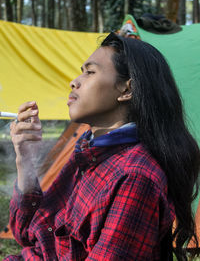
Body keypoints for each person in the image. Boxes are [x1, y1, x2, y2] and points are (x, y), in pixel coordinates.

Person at [4, 32, 200, 261]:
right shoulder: (90, 149)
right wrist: (25, 160)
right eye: (81, 71)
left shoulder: (135, 177)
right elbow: (26, 232)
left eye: (90, 72)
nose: (74, 81)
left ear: (127, 90)